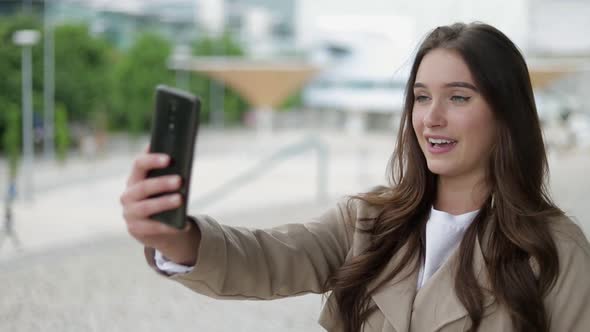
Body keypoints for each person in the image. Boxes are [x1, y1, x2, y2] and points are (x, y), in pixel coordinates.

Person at [120, 22, 590, 332]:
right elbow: (267, 258)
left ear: (507, 113)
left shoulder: (555, 252)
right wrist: (175, 237)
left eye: (459, 98)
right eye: (422, 97)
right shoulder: (368, 222)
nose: (431, 118)